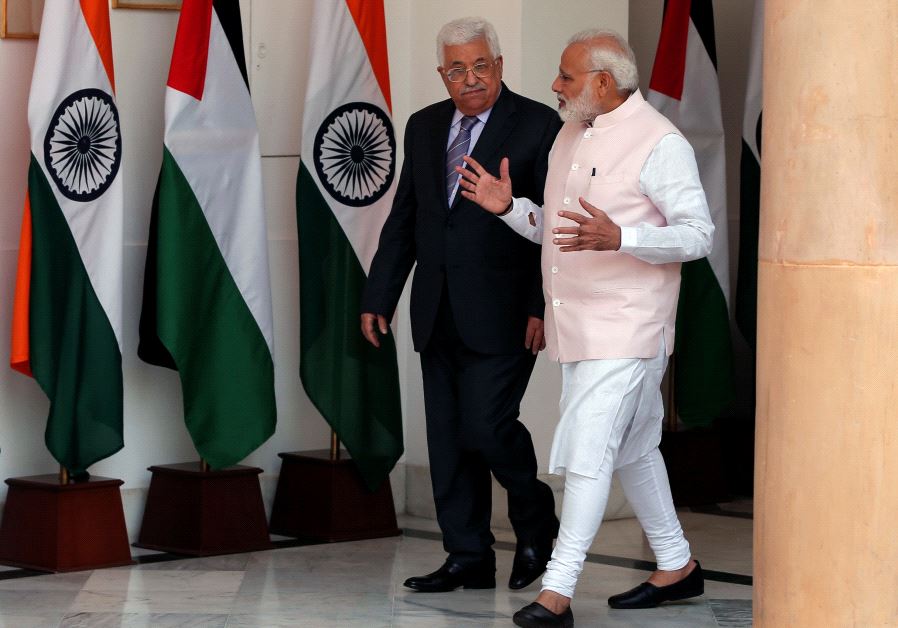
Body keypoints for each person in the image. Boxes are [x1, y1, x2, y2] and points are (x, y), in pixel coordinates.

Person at [456, 29, 713, 627]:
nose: (554, 85)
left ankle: (557, 591)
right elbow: (558, 226)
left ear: (603, 82)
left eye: (567, 76)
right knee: (636, 449)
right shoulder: (572, 133)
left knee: (589, 454)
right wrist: (509, 208)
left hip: (628, 328)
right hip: (578, 326)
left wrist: (625, 238)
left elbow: (698, 234)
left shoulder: (661, 143)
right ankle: (676, 565)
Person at [360, 17, 562, 593]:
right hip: (436, 308)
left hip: (506, 312)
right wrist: (381, 294)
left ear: (498, 66)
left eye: (479, 65)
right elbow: (406, 220)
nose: (469, 78)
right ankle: (468, 555)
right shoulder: (423, 127)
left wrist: (540, 305)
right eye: (456, 69)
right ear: (442, 75)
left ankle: (534, 523)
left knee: (488, 426)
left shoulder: (538, 125)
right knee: (447, 440)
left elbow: (548, 229)